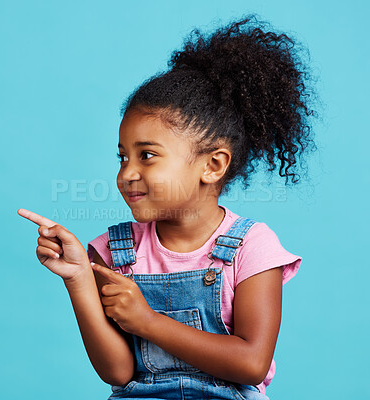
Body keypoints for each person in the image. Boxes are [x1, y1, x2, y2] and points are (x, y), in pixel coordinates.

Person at [18, 14, 317, 400]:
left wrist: (147, 321)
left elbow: (251, 363)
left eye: (147, 156)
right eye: (122, 157)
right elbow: (120, 372)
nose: (127, 173)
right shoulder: (113, 251)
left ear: (212, 166)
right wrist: (78, 279)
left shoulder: (252, 246)